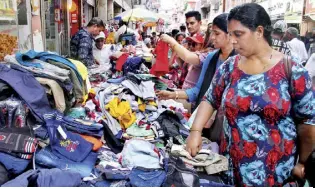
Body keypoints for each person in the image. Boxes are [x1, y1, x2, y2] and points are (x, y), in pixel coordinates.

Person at [186, 3, 315, 186]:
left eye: (238, 34)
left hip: (276, 173)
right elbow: (210, 99)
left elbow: (307, 123)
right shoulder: (230, 67)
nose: (233, 41)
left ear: (259, 32)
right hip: (230, 169)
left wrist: (302, 162)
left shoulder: (292, 71)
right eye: (230, 34)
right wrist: (195, 131)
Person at [158, 13, 234, 107]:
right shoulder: (211, 57)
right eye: (212, 33)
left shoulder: (239, 60)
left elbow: (188, 56)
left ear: (230, 34)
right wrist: (173, 94)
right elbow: (199, 89)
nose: (212, 37)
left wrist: (172, 42)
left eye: (217, 33)